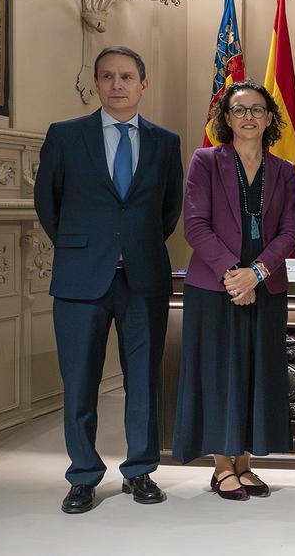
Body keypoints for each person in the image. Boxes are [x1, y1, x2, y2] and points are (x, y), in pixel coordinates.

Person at [34, 46, 183, 514]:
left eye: (126, 76)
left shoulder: (165, 142)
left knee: (142, 380)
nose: (117, 84)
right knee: (80, 381)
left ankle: (139, 472)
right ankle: (82, 476)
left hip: (143, 278)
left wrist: (129, 246)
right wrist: (87, 248)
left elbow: (168, 211)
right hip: (80, 279)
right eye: (107, 76)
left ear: (144, 83)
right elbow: (48, 204)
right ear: (95, 84)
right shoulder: (65, 136)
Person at [173, 80, 295, 500]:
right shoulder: (205, 161)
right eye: (240, 110)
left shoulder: (284, 171)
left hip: (266, 286)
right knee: (219, 371)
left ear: (269, 118)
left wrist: (257, 273)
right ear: (226, 118)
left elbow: (289, 230)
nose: (249, 117)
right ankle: (222, 467)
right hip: (213, 286)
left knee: (256, 372)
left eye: (257, 110)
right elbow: (195, 225)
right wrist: (234, 274)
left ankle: (246, 464)